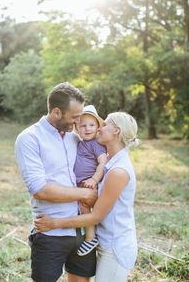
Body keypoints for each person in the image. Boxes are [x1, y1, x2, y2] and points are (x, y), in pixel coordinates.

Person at [35, 111, 140, 282]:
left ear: (116, 131)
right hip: (104, 242)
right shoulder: (109, 161)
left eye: (104, 125)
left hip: (114, 247)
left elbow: (96, 215)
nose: (99, 129)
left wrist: (54, 223)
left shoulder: (118, 171)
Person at [15, 82, 97, 282]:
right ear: (57, 112)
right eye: (75, 117)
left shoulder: (74, 138)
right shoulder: (29, 138)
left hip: (81, 230)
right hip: (50, 232)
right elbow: (39, 189)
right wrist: (85, 194)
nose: (78, 122)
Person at [74, 105, 107, 256]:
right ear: (77, 129)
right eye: (83, 126)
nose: (87, 129)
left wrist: (94, 179)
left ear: (98, 127)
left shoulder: (96, 144)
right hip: (82, 185)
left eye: (91, 125)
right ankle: (89, 232)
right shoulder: (80, 143)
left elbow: (103, 162)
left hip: (90, 184)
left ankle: (90, 237)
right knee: (83, 206)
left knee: (85, 205)